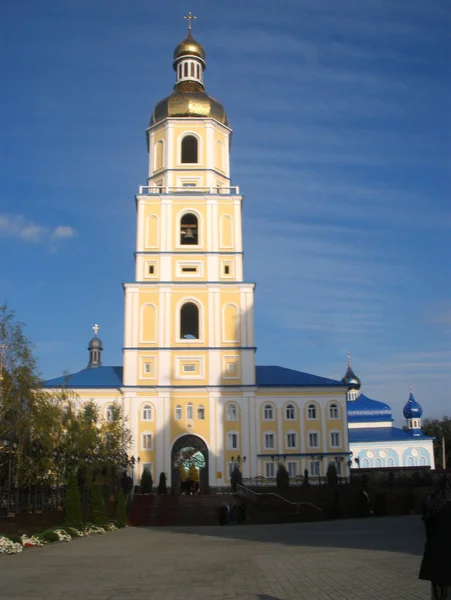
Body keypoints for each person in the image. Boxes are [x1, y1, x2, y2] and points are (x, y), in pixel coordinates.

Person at [419, 475, 451, 599]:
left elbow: (427, 528)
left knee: (438, 591)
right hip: (448, 555)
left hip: (435, 553)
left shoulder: (432, 504)